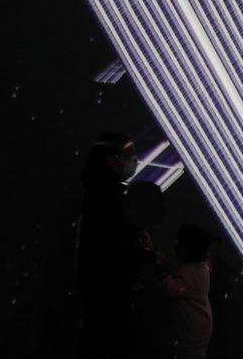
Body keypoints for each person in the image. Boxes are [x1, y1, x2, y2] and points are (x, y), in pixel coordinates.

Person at [75, 132, 152, 358]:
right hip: (110, 294)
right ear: (110, 159)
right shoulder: (106, 198)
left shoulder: (100, 195)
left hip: (103, 293)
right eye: (127, 154)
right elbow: (112, 247)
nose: (134, 160)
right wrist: (147, 256)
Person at [159, 223, 214, 359]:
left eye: (179, 242)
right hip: (201, 327)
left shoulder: (191, 271)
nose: (175, 244)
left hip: (192, 330)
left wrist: (160, 271)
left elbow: (173, 289)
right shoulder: (202, 267)